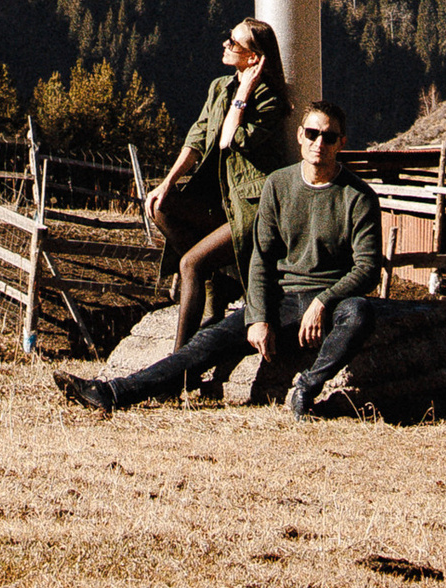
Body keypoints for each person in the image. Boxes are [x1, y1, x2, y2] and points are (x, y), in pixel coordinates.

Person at [58, 96, 382, 417]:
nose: (318, 143)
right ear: (300, 136)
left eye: (328, 137)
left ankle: (307, 388)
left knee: (359, 311)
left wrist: (324, 301)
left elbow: (367, 268)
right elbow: (262, 259)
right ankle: (112, 391)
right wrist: (257, 317)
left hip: (329, 305)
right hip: (280, 301)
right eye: (312, 133)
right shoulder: (278, 185)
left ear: (341, 142)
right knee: (204, 344)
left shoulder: (358, 197)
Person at [137, 16, 298, 357]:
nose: (225, 44)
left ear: (253, 58)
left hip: (251, 209)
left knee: (191, 264)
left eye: (234, 43)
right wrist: (168, 183)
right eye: (228, 38)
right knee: (159, 205)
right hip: (219, 201)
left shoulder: (268, 100)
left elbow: (227, 140)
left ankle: (179, 364)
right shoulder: (217, 88)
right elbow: (196, 138)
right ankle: (216, 282)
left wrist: (243, 93)